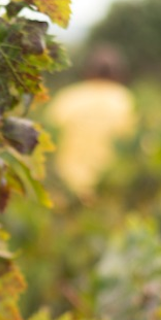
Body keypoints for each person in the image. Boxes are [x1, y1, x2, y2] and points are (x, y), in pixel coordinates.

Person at [44, 44, 136, 203]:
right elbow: (133, 146)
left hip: (66, 192)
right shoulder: (125, 100)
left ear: (88, 72)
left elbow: (46, 139)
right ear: (118, 74)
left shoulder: (67, 97)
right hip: (109, 192)